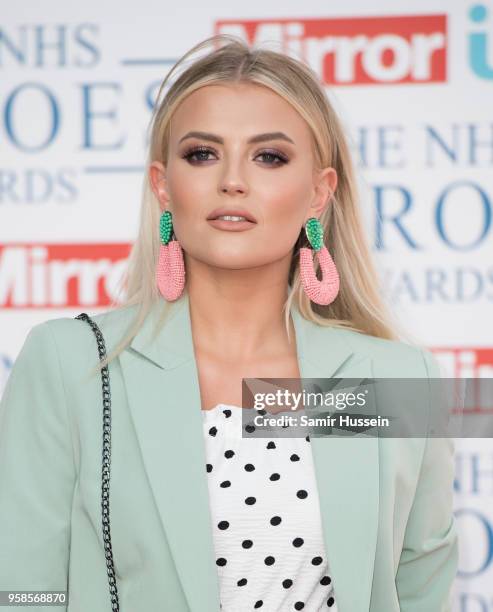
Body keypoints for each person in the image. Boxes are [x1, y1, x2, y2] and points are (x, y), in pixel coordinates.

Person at [0, 34, 458, 612]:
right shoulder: (73, 363)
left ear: (320, 193)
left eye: (269, 156)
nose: (232, 181)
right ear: (164, 186)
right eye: (202, 154)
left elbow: (423, 586)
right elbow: (22, 590)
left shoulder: (393, 378)